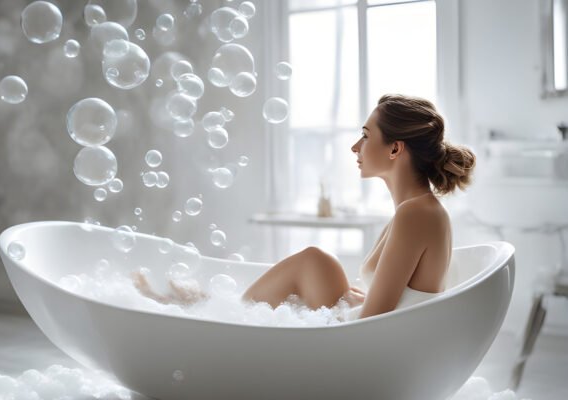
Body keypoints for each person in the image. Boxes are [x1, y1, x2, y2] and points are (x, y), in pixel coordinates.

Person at [132, 93, 476, 321]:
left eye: (366, 135)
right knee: (314, 267)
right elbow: (394, 302)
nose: (356, 146)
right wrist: (353, 298)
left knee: (315, 260)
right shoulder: (416, 210)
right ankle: (210, 310)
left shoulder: (416, 214)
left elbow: (376, 322)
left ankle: (213, 314)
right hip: (373, 333)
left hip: (373, 346)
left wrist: (352, 302)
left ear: (395, 150)